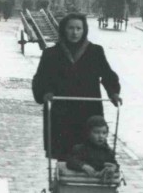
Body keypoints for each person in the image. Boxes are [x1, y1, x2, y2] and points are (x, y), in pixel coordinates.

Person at [32, 12, 122, 160]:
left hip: (88, 109)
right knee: (64, 151)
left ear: (84, 30)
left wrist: (113, 93)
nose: (75, 33)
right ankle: (63, 179)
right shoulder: (51, 54)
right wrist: (45, 93)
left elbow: (107, 75)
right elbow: (41, 78)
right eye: (71, 28)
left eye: (79, 29)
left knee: (89, 151)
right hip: (62, 110)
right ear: (63, 30)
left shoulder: (95, 52)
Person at [66, 115, 119, 180]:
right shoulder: (81, 149)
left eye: (104, 133)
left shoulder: (108, 152)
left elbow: (114, 164)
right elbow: (70, 161)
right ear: (88, 133)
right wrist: (83, 166)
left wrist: (114, 168)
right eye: (96, 132)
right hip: (82, 183)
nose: (101, 136)